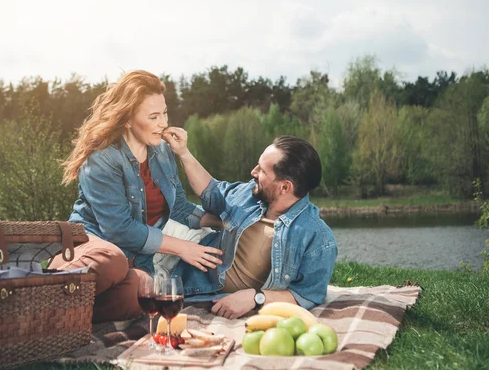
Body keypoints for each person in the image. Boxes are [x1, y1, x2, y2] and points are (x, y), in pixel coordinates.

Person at [49, 70, 223, 322]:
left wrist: (222, 221)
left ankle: (58, 314)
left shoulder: (162, 151)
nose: (163, 123)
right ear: (128, 119)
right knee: (113, 261)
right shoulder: (102, 158)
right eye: (153, 116)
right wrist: (183, 248)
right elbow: (118, 229)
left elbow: (178, 209)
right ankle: (47, 288)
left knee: (144, 290)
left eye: (164, 113)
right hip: (94, 247)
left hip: (135, 259)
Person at [166, 131, 338, 319]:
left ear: (285, 187)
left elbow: (307, 295)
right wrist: (183, 152)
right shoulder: (250, 193)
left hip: (196, 288)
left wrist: (256, 298)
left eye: (262, 170)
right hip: (187, 261)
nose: (253, 172)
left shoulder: (317, 238)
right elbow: (211, 190)